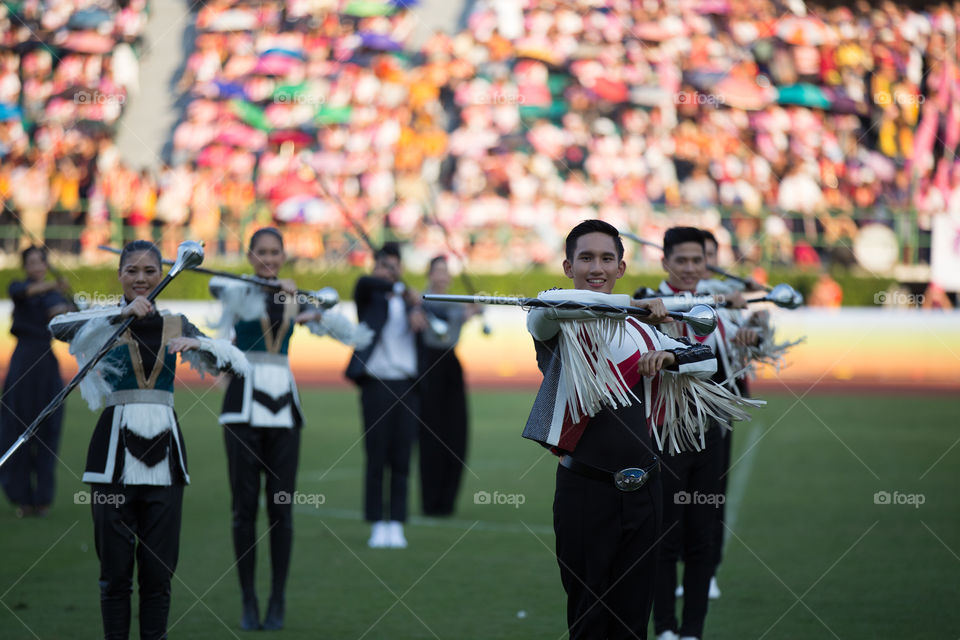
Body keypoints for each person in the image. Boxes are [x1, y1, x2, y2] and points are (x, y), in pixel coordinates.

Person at [523, 220, 720, 640]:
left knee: (632, 625)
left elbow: (706, 359)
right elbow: (545, 305)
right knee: (589, 621)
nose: (597, 267)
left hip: (646, 491)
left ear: (621, 267)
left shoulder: (641, 329)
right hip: (585, 492)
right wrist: (634, 302)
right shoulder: (557, 320)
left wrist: (668, 357)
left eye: (607, 258)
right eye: (586, 258)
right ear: (567, 266)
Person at [49, 240, 248, 640]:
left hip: (165, 455)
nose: (141, 279)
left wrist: (202, 345)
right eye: (132, 271)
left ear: (162, 274)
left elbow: (233, 365)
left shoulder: (177, 322)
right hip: (112, 455)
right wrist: (117, 314)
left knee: (158, 575)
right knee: (115, 574)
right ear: (120, 275)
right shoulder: (104, 315)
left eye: (150, 271)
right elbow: (57, 327)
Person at [211, 227, 370, 630]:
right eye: (261, 252)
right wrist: (266, 289)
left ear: (284, 256)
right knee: (243, 509)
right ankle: (248, 599)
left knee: (281, 509)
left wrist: (305, 303)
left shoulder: (293, 296)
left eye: (274, 252)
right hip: (241, 408)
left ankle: (277, 599)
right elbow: (217, 288)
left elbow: (348, 331)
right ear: (250, 256)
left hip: (283, 408)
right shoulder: (238, 291)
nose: (268, 258)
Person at [652, 227, 761, 640]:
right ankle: (664, 627)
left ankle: (692, 631)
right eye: (682, 261)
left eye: (698, 261)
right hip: (665, 434)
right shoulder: (649, 302)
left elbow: (741, 342)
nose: (690, 269)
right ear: (666, 263)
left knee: (701, 534)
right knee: (664, 537)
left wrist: (751, 335)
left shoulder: (711, 306)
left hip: (708, 434)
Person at [345, 242, 427, 549]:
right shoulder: (370, 297)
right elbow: (365, 283)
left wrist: (416, 304)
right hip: (376, 384)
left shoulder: (411, 301)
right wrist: (395, 282)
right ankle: (377, 523)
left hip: (407, 386)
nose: (387, 272)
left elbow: (429, 329)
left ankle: (397, 523)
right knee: (376, 456)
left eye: (393, 266)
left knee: (403, 458)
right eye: (383, 266)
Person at [0, 246, 72, 517]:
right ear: (25, 266)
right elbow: (22, 293)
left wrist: (67, 304)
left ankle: (42, 498)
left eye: (41, 262)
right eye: (32, 262)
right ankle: (21, 497)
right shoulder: (19, 286)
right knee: (16, 426)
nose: (37, 267)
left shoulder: (53, 294)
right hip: (22, 363)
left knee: (47, 429)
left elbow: (61, 315)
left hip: (46, 362)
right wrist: (56, 287)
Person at [418, 256, 479, 516]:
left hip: (451, 367)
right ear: (429, 274)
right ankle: (430, 502)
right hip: (426, 366)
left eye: (446, 271)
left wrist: (477, 308)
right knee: (430, 436)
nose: (442, 276)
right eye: (438, 271)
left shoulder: (455, 303)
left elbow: (466, 314)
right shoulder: (419, 300)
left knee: (456, 434)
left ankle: (447, 503)